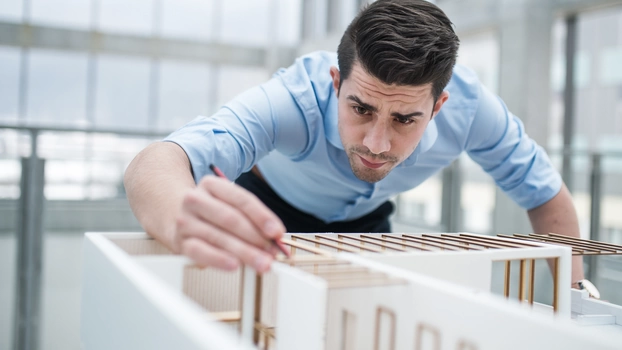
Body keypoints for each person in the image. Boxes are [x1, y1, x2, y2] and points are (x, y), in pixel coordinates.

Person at [124, 0, 584, 287]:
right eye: (361, 108)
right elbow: (157, 162)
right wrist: (178, 214)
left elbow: (545, 194)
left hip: (367, 222)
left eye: (405, 118)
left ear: (439, 106)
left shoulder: (474, 109)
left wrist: (574, 297)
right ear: (334, 83)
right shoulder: (290, 99)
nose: (377, 144)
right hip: (263, 210)